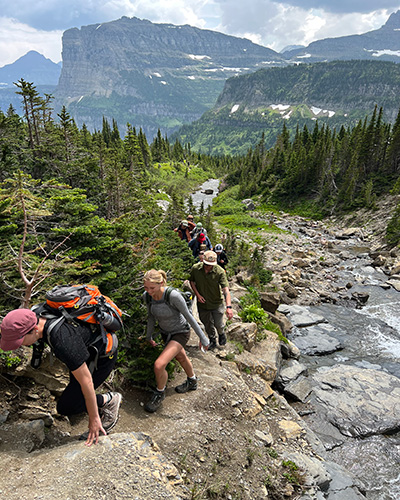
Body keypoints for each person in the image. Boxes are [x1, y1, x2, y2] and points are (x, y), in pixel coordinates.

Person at [0, 308, 122, 446]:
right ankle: (89, 404)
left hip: (101, 357)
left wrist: (94, 419)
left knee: (66, 407)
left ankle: (110, 400)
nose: (20, 345)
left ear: (34, 329)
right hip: (84, 350)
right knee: (74, 394)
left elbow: (86, 381)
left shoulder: (62, 340)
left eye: (20, 340)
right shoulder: (36, 314)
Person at [143, 269, 209, 413]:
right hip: (165, 333)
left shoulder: (173, 296)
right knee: (181, 356)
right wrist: (149, 336)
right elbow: (151, 318)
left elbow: (189, 316)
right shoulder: (147, 297)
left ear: (161, 283)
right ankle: (192, 381)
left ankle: (159, 393)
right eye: (146, 287)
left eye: (152, 288)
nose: (148, 291)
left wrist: (203, 338)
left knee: (159, 364)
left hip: (180, 332)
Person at [189, 250, 234, 350]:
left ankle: (221, 334)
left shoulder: (219, 272)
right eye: (206, 264)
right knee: (207, 323)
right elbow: (191, 281)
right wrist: (197, 294)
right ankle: (212, 339)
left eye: (210, 265)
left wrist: (229, 307)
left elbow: (226, 290)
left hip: (216, 302)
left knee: (218, 324)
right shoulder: (196, 269)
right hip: (203, 303)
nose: (208, 267)